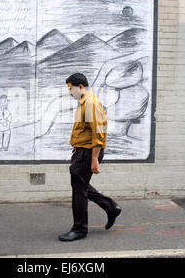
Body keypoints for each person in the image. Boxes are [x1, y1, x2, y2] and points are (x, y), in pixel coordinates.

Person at [59, 73, 122, 242]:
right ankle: (111, 207)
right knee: (81, 185)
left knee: (79, 190)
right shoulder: (84, 103)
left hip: (87, 153)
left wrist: (94, 158)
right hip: (82, 152)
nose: (69, 93)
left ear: (80, 87)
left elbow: (99, 133)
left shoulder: (90, 104)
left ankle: (80, 229)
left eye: (70, 89)